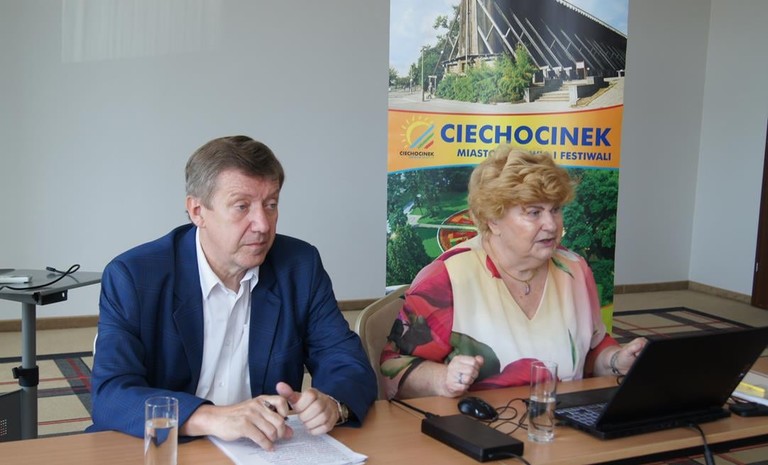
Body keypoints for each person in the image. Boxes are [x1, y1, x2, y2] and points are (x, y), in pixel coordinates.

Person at [88, 135, 377, 449]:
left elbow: (345, 360)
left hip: (266, 450)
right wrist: (212, 418)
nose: (262, 224)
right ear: (197, 211)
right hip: (164, 448)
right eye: (242, 207)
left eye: (271, 205)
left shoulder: (299, 266)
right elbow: (111, 394)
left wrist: (332, 403)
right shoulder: (134, 276)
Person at [380, 145, 646, 399]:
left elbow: (591, 351)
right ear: (493, 220)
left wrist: (615, 360)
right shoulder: (448, 278)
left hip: (561, 422)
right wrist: (442, 379)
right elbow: (393, 366)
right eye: (534, 212)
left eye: (555, 210)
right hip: (473, 425)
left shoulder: (575, 270)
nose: (551, 224)